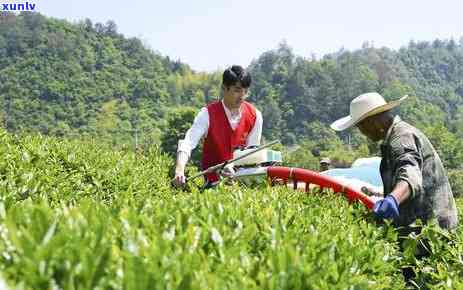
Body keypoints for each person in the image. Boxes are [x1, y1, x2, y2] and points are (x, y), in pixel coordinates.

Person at [330, 92, 458, 231]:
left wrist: (393, 199)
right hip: (427, 227)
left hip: (431, 232)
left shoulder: (401, 138)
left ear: (372, 122)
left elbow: (410, 175)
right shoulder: (395, 137)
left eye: (361, 127)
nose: (363, 132)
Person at [173, 65, 263, 188]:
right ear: (224, 88)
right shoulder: (207, 114)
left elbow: (251, 156)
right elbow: (187, 143)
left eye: (245, 91)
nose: (242, 96)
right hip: (211, 186)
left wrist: (236, 171)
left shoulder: (255, 116)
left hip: (242, 187)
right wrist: (179, 170)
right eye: (237, 90)